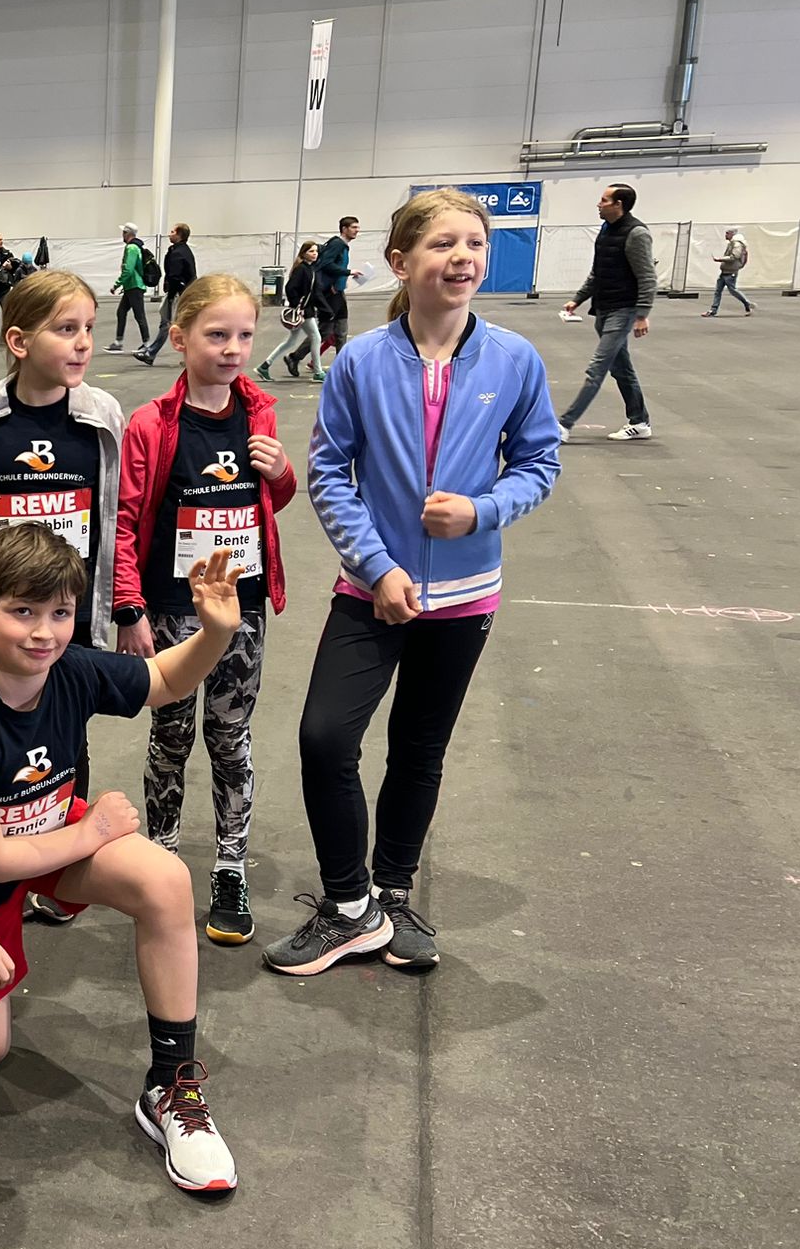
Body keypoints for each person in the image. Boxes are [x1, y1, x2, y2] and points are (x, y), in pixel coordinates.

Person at [269, 188, 558, 978]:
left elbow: (539, 462)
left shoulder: (514, 359)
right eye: (442, 244)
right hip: (372, 593)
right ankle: (347, 907)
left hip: (465, 599)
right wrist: (379, 566)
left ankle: (392, 894)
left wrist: (481, 511)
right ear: (401, 262)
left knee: (419, 749)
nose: (463, 257)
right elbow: (329, 473)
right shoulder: (361, 361)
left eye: (474, 243)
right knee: (325, 738)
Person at [0, 521, 244, 1193]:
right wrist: (93, 833)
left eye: (60, 613)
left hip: (50, 835)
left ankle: (171, 1086)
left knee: (166, 880)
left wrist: (214, 633)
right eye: (23, 612)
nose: (44, 633)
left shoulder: (70, 669)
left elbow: (161, 679)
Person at [113, 276, 295, 945]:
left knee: (230, 737)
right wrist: (128, 606)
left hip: (242, 608)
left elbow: (270, 506)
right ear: (180, 337)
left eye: (244, 335)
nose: (233, 349)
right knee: (170, 735)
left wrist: (280, 473)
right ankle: (160, 859)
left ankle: (229, 868)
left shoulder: (259, 415)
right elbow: (125, 519)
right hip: (171, 609)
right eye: (217, 335)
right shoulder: (151, 425)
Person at [0, 267, 125, 652]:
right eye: (67, 329)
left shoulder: (104, 415)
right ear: (19, 341)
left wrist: (124, 606)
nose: (84, 343)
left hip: (72, 612)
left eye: (89, 328)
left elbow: (116, 515)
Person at [558, 185, 657, 442]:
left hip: (623, 311)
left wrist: (642, 314)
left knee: (597, 369)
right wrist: (578, 299)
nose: (598, 204)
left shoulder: (637, 234)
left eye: (604, 200)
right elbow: (598, 272)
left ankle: (564, 425)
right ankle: (640, 421)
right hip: (603, 308)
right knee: (622, 369)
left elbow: (647, 277)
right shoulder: (605, 230)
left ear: (618, 205)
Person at [296, 215, 363, 372]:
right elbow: (326, 264)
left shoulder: (342, 245)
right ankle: (295, 357)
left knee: (341, 330)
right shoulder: (337, 244)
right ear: (344, 229)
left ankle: (341, 365)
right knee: (326, 331)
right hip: (331, 293)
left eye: (358, 227)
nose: (357, 230)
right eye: (354, 227)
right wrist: (347, 272)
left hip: (338, 291)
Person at [254, 242, 325, 383]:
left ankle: (265, 365)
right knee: (316, 338)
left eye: (316, 251)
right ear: (304, 253)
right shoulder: (302, 269)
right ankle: (318, 372)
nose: (315, 254)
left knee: (290, 341)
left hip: (304, 310)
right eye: (311, 251)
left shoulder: (309, 268)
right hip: (303, 311)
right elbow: (290, 287)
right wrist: (297, 305)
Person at [133, 224, 198, 367]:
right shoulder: (181, 251)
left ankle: (152, 353)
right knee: (172, 324)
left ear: (179, 235)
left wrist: (172, 295)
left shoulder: (178, 253)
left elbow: (175, 276)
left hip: (179, 294)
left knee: (172, 323)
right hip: (182, 293)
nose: (169, 234)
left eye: (173, 232)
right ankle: (152, 353)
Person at [108, 223, 149, 352]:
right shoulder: (136, 247)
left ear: (127, 233)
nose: (122, 235)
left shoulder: (131, 248)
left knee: (139, 315)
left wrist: (117, 284)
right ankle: (118, 342)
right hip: (132, 286)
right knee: (121, 312)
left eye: (124, 232)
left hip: (134, 286)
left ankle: (147, 344)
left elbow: (128, 269)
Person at [703, 227, 754, 319]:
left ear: (732, 234)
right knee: (718, 291)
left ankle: (747, 304)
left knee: (733, 290)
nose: (725, 235)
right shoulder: (732, 243)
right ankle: (713, 310)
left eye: (727, 233)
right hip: (725, 271)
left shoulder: (737, 244)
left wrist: (720, 259)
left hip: (731, 272)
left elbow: (734, 257)